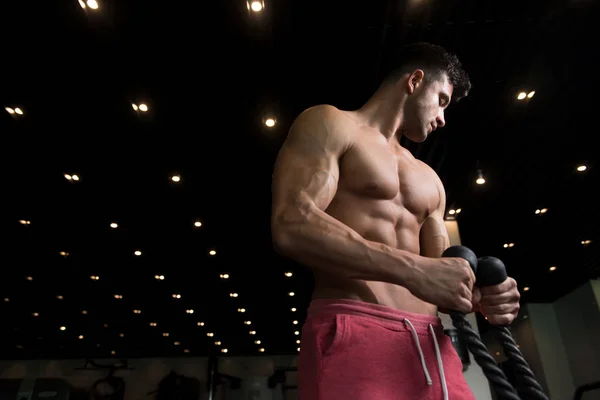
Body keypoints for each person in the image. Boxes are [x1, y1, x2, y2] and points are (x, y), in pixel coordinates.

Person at [270, 42, 521, 400]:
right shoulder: (332, 124)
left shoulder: (430, 179)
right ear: (415, 80)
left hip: (431, 344)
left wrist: (484, 297)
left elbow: (440, 277)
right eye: (443, 101)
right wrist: (414, 270)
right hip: (354, 328)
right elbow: (291, 222)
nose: (443, 118)